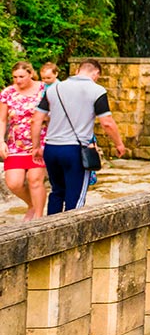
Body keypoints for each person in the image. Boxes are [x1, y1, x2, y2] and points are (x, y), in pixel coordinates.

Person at [32, 59, 126, 214]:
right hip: (75, 151)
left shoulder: (53, 89)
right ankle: (71, 236)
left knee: (56, 192)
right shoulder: (97, 90)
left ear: (77, 71)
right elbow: (107, 122)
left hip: (51, 149)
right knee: (75, 197)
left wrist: (36, 147)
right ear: (96, 73)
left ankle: (50, 232)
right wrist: (119, 144)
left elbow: (36, 120)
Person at [1, 62, 47, 219]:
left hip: (39, 142)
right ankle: (32, 204)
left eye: (21, 76)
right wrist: (1, 141)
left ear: (31, 74)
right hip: (16, 144)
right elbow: (2, 120)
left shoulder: (44, 89)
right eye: (15, 77)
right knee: (14, 183)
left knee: (34, 180)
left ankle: (39, 219)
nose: (18, 80)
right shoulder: (8, 93)